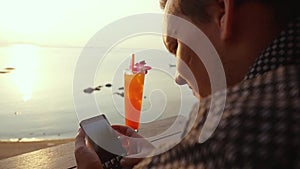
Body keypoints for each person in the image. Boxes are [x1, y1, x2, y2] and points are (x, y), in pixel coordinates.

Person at [75, 0, 299, 168]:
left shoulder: (238, 125)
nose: (179, 77)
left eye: (175, 46)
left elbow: (229, 143)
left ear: (221, 12)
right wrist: (166, 158)